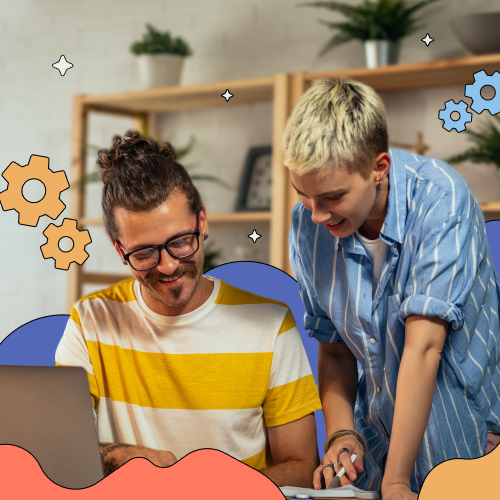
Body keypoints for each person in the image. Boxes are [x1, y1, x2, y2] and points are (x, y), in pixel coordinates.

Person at [56, 131, 322, 487]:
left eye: (181, 242)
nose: (167, 266)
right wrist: (126, 458)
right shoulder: (90, 323)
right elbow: (61, 451)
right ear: (119, 249)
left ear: (202, 222)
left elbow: (303, 467)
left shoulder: (271, 326)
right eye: (145, 253)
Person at [282, 78, 500, 500]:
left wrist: (397, 480)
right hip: (377, 444)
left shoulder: (442, 200)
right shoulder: (307, 224)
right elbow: (333, 348)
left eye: (332, 196)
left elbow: (423, 347)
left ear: (378, 167)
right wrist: (342, 434)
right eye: (302, 195)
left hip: (464, 440)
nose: (315, 215)